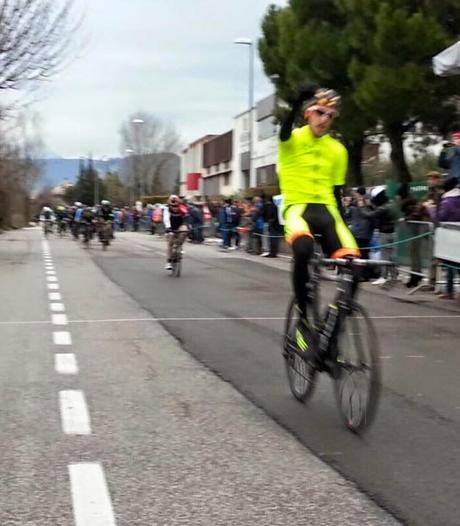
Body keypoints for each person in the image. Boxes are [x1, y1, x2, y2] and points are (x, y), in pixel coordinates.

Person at [278, 84, 360, 350]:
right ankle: (303, 317)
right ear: (309, 114)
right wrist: (296, 101)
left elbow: (337, 193)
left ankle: (331, 330)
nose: (325, 119)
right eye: (320, 113)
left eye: (330, 116)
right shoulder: (292, 139)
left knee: (354, 268)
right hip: (298, 209)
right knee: (302, 249)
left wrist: (344, 228)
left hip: (328, 212)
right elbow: (283, 130)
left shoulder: (338, 150)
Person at [436, 176, 460, 299]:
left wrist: (430, 209)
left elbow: (441, 216)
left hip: (450, 235)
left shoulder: (447, 201)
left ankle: (449, 291)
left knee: (451, 263)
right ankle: (450, 290)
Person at [163, 195, 188, 270]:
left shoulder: (182, 208)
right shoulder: (166, 209)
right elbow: (166, 219)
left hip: (180, 225)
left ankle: (180, 245)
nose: (175, 208)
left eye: (176, 206)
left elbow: (186, 217)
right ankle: (169, 262)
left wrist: (187, 226)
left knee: (184, 232)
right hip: (171, 226)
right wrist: (168, 228)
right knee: (170, 242)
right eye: (172, 206)